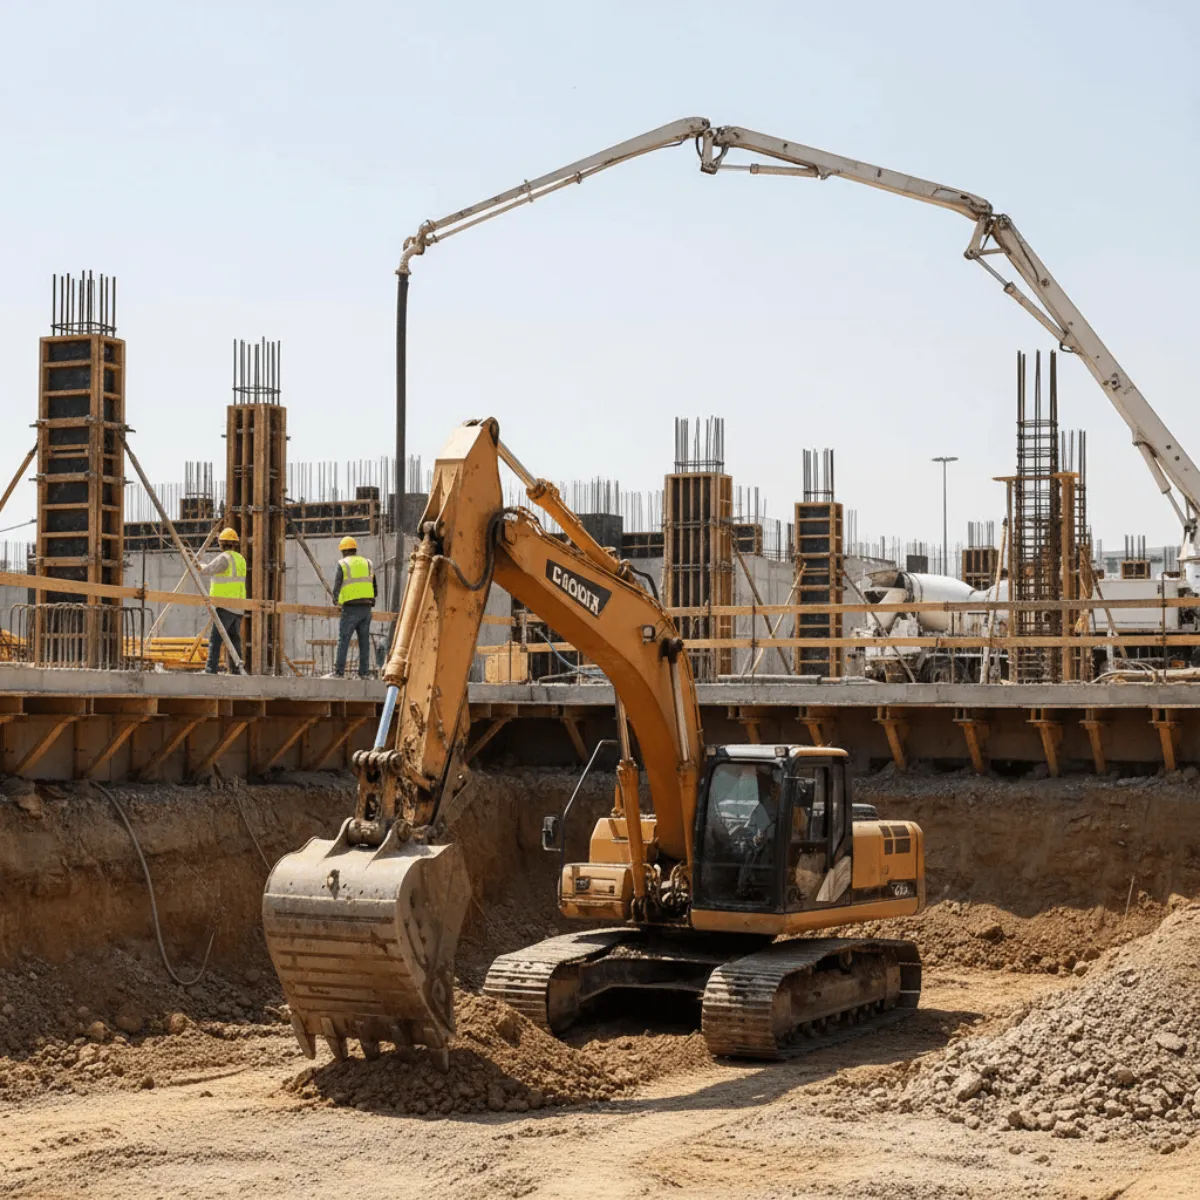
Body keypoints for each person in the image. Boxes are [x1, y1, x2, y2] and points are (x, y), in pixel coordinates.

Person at [199, 528, 247, 675]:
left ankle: (210, 671)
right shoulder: (241, 560)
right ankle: (236, 672)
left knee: (215, 639)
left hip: (224, 606)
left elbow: (206, 570)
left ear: (221, 544)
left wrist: (198, 563)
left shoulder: (224, 558)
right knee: (234, 641)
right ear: (235, 544)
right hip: (238, 607)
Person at [329, 536, 376, 678]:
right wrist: (372, 600)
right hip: (366, 607)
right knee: (364, 642)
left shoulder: (343, 564)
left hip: (350, 608)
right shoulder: (367, 563)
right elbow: (374, 585)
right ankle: (364, 673)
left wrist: (335, 599)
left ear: (343, 551)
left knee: (344, 639)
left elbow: (338, 583)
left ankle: (339, 672)